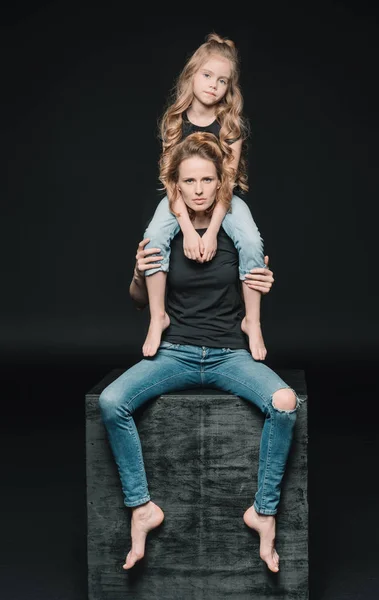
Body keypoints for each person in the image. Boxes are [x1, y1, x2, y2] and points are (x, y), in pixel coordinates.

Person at [99, 132, 304, 574]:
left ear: (219, 184)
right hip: (175, 351)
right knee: (111, 401)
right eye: (189, 180)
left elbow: (257, 274)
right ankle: (141, 508)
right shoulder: (166, 233)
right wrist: (138, 272)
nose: (197, 189)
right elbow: (137, 297)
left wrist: (264, 285)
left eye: (206, 180)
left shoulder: (237, 231)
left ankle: (263, 513)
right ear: (176, 185)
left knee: (286, 403)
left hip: (230, 354)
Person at [141, 32, 268, 362]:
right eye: (207, 75)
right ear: (191, 75)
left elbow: (226, 183)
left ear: (229, 88)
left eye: (222, 80)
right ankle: (158, 316)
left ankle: (252, 320)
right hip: (178, 198)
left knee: (252, 242)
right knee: (153, 237)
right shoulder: (174, 121)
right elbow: (171, 179)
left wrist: (211, 231)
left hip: (224, 199)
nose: (213, 85)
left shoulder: (230, 126)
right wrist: (185, 227)